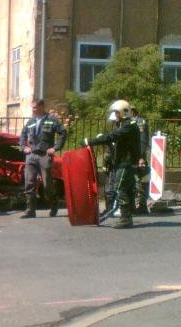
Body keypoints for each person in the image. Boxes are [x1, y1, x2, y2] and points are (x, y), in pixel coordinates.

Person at [81, 99, 140, 229]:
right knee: (128, 189)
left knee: (120, 189)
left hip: (126, 162)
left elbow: (112, 136)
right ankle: (129, 214)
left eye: (116, 112)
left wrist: (90, 141)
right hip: (123, 161)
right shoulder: (124, 124)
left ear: (122, 112)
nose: (115, 115)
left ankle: (125, 218)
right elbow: (114, 140)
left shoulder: (129, 125)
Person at [19, 98, 67, 218]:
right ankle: (30, 210)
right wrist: (23, 147)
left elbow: (63, 132)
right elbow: (23, 134)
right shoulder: (31, 121)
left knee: (47, 185)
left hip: (45, 155)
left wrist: (55, 148)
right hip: (31, 156)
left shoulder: (51, 120)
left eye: (35, 107)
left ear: (41, 107)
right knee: (29, 183)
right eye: (32, 107)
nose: (33, 109)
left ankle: (54, 204)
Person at [131, 105, 150, 215]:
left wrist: (141, 157)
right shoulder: (130, 122)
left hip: (138, 157)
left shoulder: (140, 122)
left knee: (141, 181)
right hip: (132, 156)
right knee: (133, 181)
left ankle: (142, 206)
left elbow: (142, 141)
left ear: (133, 111)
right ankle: (134, 205)